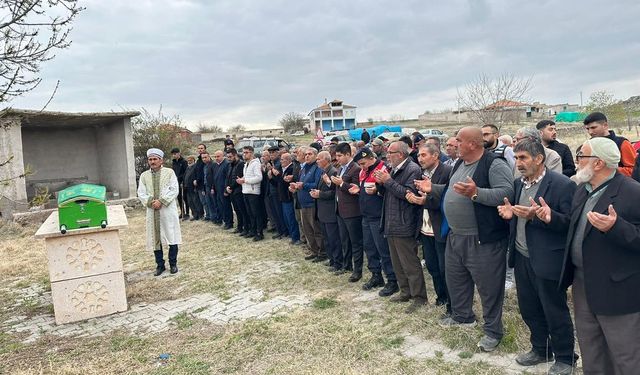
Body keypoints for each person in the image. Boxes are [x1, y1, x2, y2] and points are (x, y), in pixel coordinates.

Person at [419, 127, 514, 352]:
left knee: (489, 287)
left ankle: (493, 331)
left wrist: (476, 193)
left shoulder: (494, 164)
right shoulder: (459, 164)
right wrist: (433, 188)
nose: (454, 144)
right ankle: (463, 316)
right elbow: (453, 190)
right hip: (455, 235)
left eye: (459, 141)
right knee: (456, 279)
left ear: (472, 144)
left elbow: (506, 193)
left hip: (482, 238)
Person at [558, 137, 640, 374]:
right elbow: (577, 227)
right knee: (591, 348)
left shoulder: (632, 192)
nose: (577, 161)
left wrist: (616, 228)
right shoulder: (582, 189)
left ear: (598, 163)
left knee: (625, 354)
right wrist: (550, 217)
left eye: (581, 155)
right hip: (584, 284)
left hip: (618, 288)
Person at [497, 139, 578, 375]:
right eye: (517, 158)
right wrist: (509, 213)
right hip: (522, 257)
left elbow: (571, 224)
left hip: (548, 259)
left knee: (554, 309)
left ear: (539, 159)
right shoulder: (517, 185)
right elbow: (519, 214)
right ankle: (541, 349)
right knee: (529, 307)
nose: (519, 163)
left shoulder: (562, 185)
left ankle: (565, 357)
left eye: (523, 158)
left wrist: (549, 217)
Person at [374, 141, 427, 314]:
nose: (387, 155)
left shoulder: (413, 169)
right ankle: (405, 291)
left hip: (404, 223)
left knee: (410, 263)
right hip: (391, 221)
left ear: (401, 154)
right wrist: (380, 184)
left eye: (391, 152)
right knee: (397, 262)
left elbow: (408, 195)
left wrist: (388, 181)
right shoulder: (393, 168)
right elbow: (388, 194)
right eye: (387, 152)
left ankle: (419, 297)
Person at [408, 143, 452, 313]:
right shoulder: (422, 173)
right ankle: (440, 296)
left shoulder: (447, 172)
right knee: (432, 265)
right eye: (419, 156)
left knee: (444, 267)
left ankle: (451, 300)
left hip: (440, 226)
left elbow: (447, 199)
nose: (420, 159)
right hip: (425, 227)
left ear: (435, 155)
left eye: (424, 155)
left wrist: (425, 201)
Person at [353, 148, 399, 297]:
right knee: (369, 247)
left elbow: (390, 191)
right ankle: (376, 275)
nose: (362, 166)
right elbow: (364, 189)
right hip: (366, 215)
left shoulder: (383, 169)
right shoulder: (363, 171)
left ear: (372, 158)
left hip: (378, 215)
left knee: (383, 250)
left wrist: (378, 191)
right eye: (360, 164)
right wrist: (357, 189)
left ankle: (392, 280)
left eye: (363, 163)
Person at [137, 148, 182, 276]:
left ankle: (173, 264)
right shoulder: (144, 175)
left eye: (155, 159)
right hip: (152, 211)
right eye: (150, 159)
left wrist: (161, 201)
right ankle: (160, 265)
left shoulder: (169, 172)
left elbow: (174, 189)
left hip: (167, 210)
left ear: (161, 160)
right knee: (156, 237)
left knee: (171, 235)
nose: (152, 161)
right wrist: (151, 202)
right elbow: (141, 192)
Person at [331, 142, 364, 282]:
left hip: (352, 211)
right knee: (345, 240)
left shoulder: (355, 168)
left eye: (339, 155)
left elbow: (356, 189)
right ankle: (347, 265)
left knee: (356, 242)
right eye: (336, 155)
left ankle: (358, 270)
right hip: (341, 210)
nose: (337, 158)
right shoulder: (341, 169)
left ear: (348, 154)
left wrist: (342, 184)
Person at [311, 151, 342, 270]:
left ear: (326, 159)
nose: (317, 161)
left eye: (319, 159)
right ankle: (332, 260)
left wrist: (320, 194)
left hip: (330, 212)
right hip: (323, 211)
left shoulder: (333, 171)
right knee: (327, 239)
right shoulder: (324, 171)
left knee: (334, 239)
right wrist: (316, 192)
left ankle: (338, 262)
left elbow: (334, 192)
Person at [293, 147, 325, 260]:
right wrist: (296, 187)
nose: (307, 156)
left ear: (316, 156)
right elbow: (302, 183)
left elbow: (317, 184)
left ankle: (322, 252)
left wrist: (303, 186)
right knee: (307, 230)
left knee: (316, 229)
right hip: (303, 203)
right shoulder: (303, 168)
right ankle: (314, 250)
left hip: (312, 203)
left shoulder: (317, 168)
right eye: (305, 154)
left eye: (310, 154)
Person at [583, 111, 637, 176]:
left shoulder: (622, 143)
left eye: (593, 127)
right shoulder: (588, 145)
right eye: (587, 129)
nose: (590, 132)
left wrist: (606, 170)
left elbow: (633, 170)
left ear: (605, 125)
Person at [238, 146, 265, 241]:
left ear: (252, 153)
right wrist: (242, 180)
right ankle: (253, 230)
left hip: (253, 192)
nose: (244, 154)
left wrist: (246, 180)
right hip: (246, 190)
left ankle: (259, 232)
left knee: (256, 213)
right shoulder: (246, 164)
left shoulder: (256, 164)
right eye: (243, 152)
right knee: (250, 213)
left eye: (246, 152)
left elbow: (259, 178)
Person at [275, 152, 301, 245]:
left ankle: (296, 237)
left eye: (282, 159)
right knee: (287, 218)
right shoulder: (283, 169)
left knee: (291, 218)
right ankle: (292, 235)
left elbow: (286, 182)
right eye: (281, 159)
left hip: (288, 197)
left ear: (288, 160)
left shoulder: (291, 169)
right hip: (283, 197)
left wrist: (278, 175)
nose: (281, 161)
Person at [225, 148, 248, 235]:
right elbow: (228, 177)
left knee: (243, 211)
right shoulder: (231, 165)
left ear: (235, 155)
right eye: (227, 157)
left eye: (230, 157)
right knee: (237, 210)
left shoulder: (241, 164)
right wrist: (227, 187)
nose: (229, 159)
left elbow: (238, 178)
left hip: (239, 191)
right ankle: (240, 227)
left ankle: (246, 228)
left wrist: (230, 187)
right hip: (232, 191)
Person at [266, 146, 288, 238]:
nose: (271, 155)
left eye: (273, 153)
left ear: (278, 153)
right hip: (272, 191)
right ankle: (280, 230)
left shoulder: (279, 163)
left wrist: (271, 175)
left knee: (279, 213)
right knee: (275, 213)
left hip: (277, 192)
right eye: (270, 153)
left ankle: (283, 231)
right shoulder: (273, 163)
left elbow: (278, 180)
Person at [213, 150, 232, 229]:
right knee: (221, 206)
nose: (216, 158)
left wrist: (225, 190)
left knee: (226, 206)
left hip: (224, 190)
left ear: (222, 156)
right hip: (218, 189)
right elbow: (215, 178)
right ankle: (225, 221)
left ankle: (229, 223)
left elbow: (227, 178)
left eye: (218, 156)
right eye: (215, 157)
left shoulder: (226, 164)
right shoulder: (216, 165)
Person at [183, 155, 203, 221]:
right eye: (188, 160)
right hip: (187, 188)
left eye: (190, 160)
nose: (189, 161)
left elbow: (197, 176)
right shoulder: (188, 168)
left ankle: (200, 215)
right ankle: (194, 215)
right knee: (190, 202)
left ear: (193, 160)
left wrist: (196, 181)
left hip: (193, 187)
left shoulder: (195, 167)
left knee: (196, 201)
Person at [171, 148, 188, 219]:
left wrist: (182, 180)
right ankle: (182, 212)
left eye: (175, 154)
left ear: (179, 153)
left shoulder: (184, 161)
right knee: (179, 198)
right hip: (176, 182)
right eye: (173, 154)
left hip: (183, 182)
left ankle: (187, 213)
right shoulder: (174, 162)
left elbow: (186, 172)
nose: (174, 155)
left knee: (185, 198)